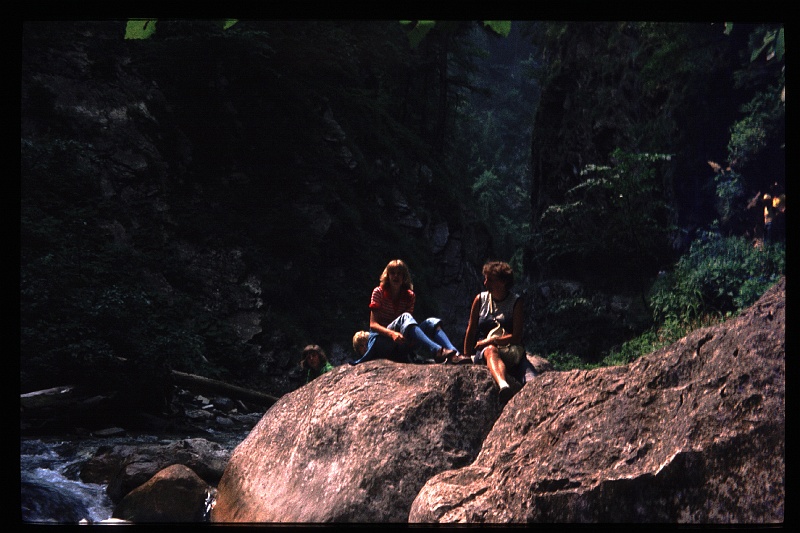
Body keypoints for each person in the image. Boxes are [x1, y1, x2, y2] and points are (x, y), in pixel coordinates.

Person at [349, 259, 469, 365]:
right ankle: (437, 350)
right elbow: (373, 325)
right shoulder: (378, 292)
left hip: (400, 342)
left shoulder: (409, 296)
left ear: (404, 277)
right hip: (382, 341)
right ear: (387, 276)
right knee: (405, 317)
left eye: (399, 273)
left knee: (431, 322)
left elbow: (407, 326)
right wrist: (392, 334)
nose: (396, 276)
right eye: (392, 273)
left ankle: (456, 355)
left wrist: (407, 339)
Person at [463, 261, 526, 402]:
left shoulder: (516, 302)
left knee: (532, 380)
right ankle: (503, 385)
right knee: (490, 350)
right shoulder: (480, 300)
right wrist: (466, 356)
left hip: (510, 351)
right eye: (485, 279)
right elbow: (471, 330)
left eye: (490, 280)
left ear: (503, 282)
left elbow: (517, 336)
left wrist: (492, 340)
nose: (485, 283)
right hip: (484, 351)